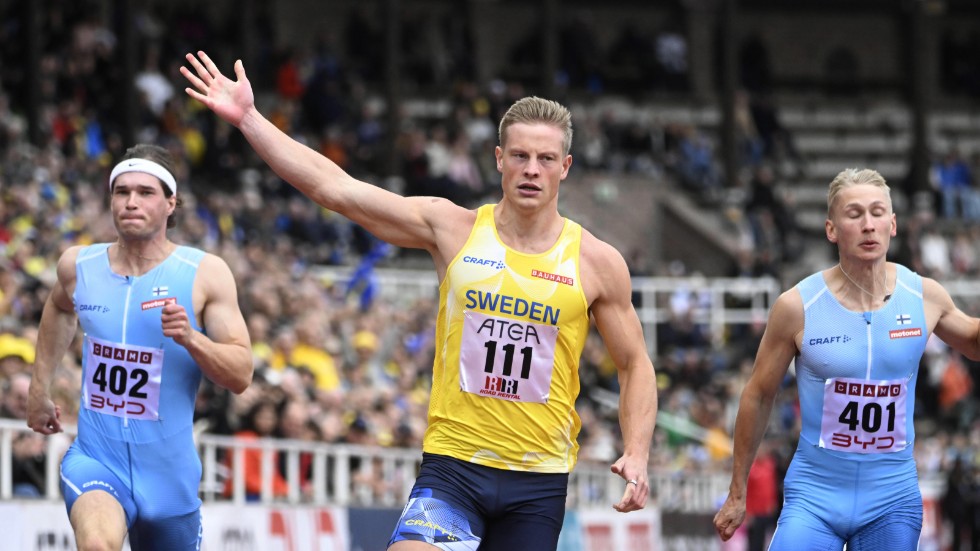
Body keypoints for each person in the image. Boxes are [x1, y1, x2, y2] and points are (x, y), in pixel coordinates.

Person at [181, 51, 657, 551]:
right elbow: (336, 189)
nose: (531, 170)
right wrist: (250, 119)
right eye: (519, 156)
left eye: (545, 159)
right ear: (499, 160)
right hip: (452, 468)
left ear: (566, 167)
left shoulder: (596, 263)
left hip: (536, 483)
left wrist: (638, 453)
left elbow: (634, 364)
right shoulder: (452, 228)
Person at [714, 167, 980, 550]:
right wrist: (737, 490)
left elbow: (972, 340)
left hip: (891, 498)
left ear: (893, 224)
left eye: (877, 213)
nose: (868, 225)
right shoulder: (798, 306)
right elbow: (758, 395)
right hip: (815, 496)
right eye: (854, 214)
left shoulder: (924, 295)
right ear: (831, 229)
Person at [26, 143, 253, 550]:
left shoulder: (204, 274)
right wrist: (40, 388)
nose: (131, 202)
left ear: (171, 203)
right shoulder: (78, 266)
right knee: (97, 545)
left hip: (169, 479)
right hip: (97, 457)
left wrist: (192, 338)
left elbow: (241, 374)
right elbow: (59, 310)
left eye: (145, 193)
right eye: (121, 191)